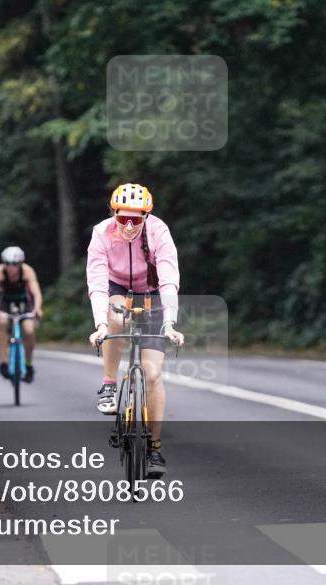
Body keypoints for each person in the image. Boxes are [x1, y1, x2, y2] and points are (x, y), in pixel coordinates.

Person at [86, 183, 184, 478]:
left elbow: (168, 278)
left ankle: (154, 448)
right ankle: (109, 384)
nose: (129, 225)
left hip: (152, 292)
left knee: (153, 375)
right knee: (117, 319)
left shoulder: (159, 232)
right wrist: (100, 326)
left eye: (136, 219)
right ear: (113, 214)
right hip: (117, 288)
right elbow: (97, 283)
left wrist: (170, 322)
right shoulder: (101, 233)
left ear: (146, 217)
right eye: (122, 218)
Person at [0, 246, 43, 382]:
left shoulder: (27, 271)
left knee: (29, 331)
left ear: (20, 264)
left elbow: (36, 292)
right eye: (7, 263)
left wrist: (37, 308)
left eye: (14, 264)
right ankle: (3, 362)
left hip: (24, 303)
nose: (10, 267)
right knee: (2, 323)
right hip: (6, 303)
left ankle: (28, 364)